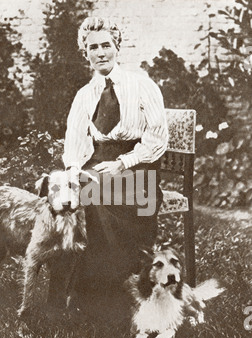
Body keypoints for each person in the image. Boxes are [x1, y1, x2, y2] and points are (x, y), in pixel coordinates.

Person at [63, 17, 168, 314]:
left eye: (105, 45)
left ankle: (119, 295)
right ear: (86, 54)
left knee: (95, 196)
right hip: (97, 168)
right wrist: (73, 170)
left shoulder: (142, 85)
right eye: (92, 47)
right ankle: (85, 299)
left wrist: (123, 163)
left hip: (139, 169)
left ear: (117, 47)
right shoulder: (84, 96)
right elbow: (74, 142)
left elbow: (157, 139)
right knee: (73, 194)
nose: (100, 53)